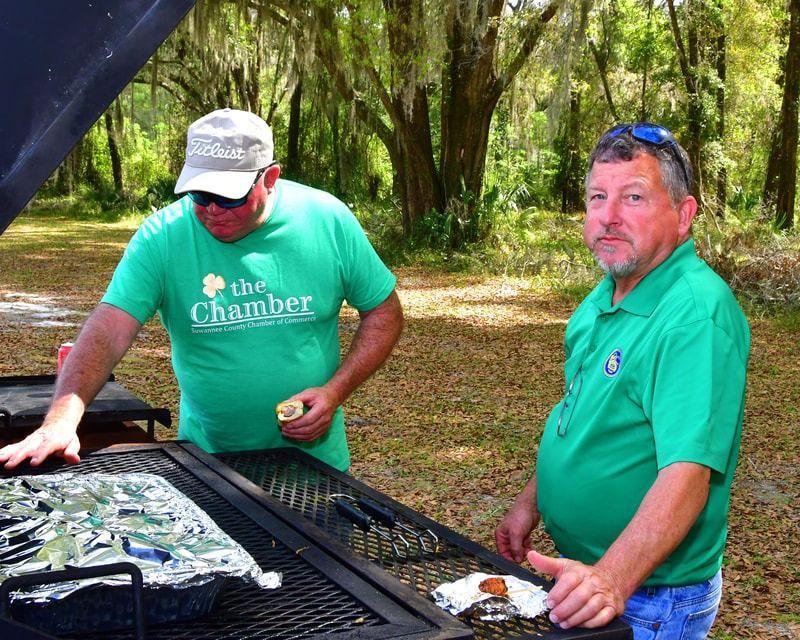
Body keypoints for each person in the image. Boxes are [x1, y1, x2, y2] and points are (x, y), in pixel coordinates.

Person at [0, 108, 403, 473]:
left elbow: (383, 311)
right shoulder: (163, 236)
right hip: (210, 463)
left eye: (227, 197)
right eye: (199, 194)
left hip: (316, 465)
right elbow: (108, 329)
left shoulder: (326, 220)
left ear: (270, 178)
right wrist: (61, 421)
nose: (211, 209)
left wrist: (335, 391)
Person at [495, 123, 749, 638]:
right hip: (584, 575)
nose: (608, 216)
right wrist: (531, 504)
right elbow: (583, 415)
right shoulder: (607, 295)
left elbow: (687, 476)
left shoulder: (694, 316)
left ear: (684, 215)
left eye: (633, 197)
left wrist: (612, 578)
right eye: (597, 197)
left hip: (648, 598)